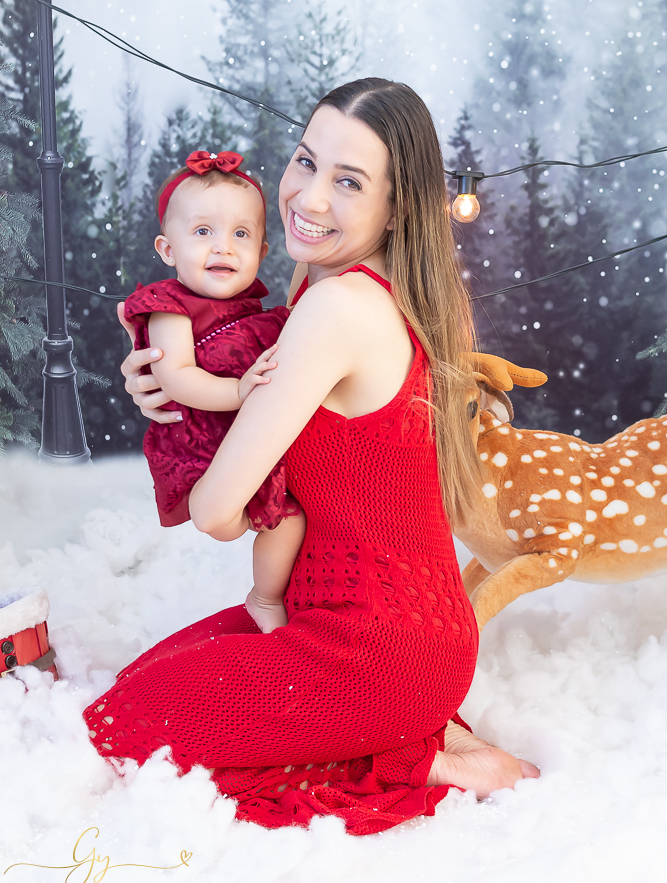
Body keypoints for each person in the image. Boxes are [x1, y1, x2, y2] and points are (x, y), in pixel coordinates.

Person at [84, 78, 539, 836]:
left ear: (396, 209)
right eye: (305, 161)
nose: (309, 196)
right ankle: (412, 725)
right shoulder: (361, 292)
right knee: (142, 686)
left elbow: (214, 514)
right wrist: (174, 394)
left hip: (371, 650)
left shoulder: (334, 309)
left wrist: (195, 426)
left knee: (120, 728)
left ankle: (416, 755)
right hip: (399, 636)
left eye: (348, 181)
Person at [122, 150, 305, 633]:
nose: (223, 247)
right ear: (167, 249)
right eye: (203, 232)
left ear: (263, 252)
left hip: (250, 442)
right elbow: (177, 376)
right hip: (201, 443)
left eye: (241, 234)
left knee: (287, 523)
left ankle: (264, 598)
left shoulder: (266, 315)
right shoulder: (169, 307)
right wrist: (241, 392)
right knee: (226, 524)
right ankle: (237, 528)